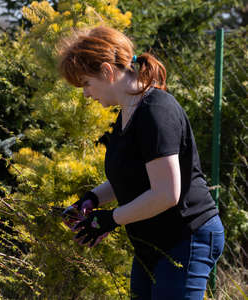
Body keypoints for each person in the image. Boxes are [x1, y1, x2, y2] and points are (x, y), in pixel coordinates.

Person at [57, 25, 225, 299]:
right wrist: (91, 200)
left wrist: (110, 219)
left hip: (187, 238)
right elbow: (132, 176)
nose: (86, 94)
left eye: (86, 83)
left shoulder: (155, 112)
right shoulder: (127, 113)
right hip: (151, 243)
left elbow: (166, 193)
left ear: (108, 72)